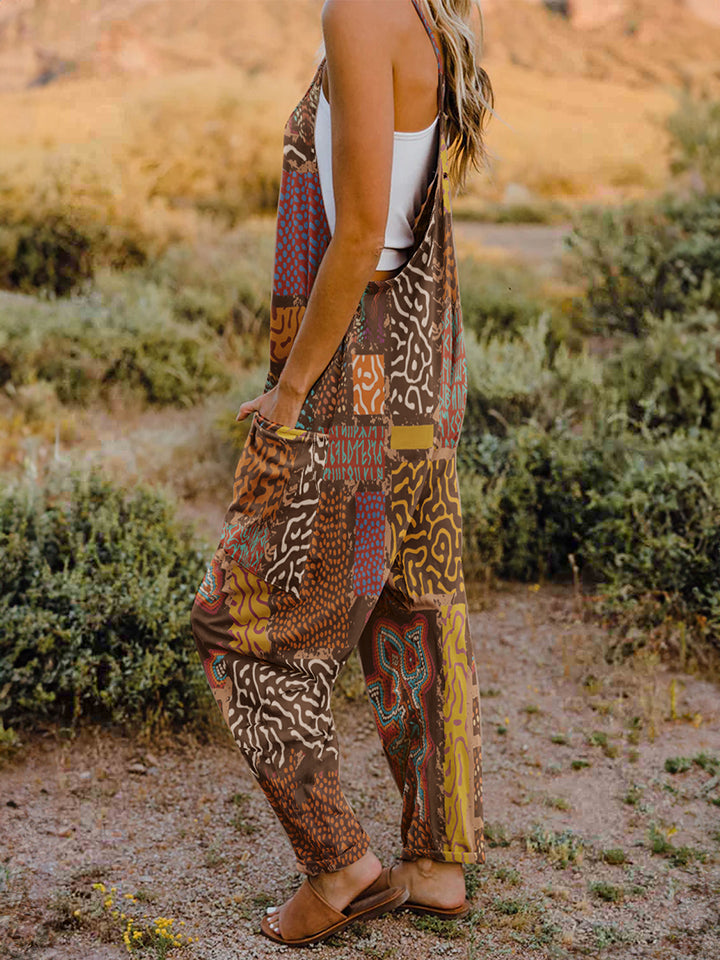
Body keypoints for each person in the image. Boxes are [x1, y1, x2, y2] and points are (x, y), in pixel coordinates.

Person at [191, 0, 495, 947]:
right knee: (412, 603)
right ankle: (437, 864)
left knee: (241, 625)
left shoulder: (359, 10)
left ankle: (341, 868)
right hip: (416, 358)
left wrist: (288, 394)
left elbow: (361, 230)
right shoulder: (428, 8)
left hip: (359, 371)